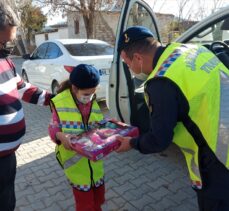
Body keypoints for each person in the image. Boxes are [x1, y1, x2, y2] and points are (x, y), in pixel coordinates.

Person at [116, 26, 229, 211]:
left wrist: (132, 143)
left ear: (137, 57)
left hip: (219, 160)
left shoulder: (161, 81)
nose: (129, 69)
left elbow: (159, 140)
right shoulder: (190, 49)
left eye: (127, 63)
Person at [0, 3, 53, 211]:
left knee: (7, 201)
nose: (9, 48)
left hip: (8, 157)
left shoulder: (6, 62)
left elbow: (21, 88)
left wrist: (54, 99)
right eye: (5, 42)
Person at [48, 64, 105, 211]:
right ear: (74, 88)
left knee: (99, 199)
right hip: (77, 167)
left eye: (92, 93)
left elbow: (97, 123)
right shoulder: (60, 102)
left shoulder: (91, 101)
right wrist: (61, 135)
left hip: (95, 165)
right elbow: (53, 128)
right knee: (85, 205)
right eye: (86, 94)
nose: (89, 97)